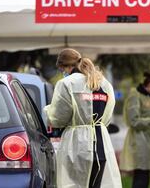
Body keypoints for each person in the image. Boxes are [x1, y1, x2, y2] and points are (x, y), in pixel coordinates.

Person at [44, 48, 122, 188]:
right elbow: (107, 116)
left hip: (76, 146)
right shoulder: (104, 83)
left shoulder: (66, 84)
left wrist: (47, 110)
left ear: (64, 66)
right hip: (101, 145)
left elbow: (57, 119)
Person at [120, 72, 150, 188]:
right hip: (139, 141)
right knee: (140, 176)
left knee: (145, 175)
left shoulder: (146, 97)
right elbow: (133, 121)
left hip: (146, 141)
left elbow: (146, 117)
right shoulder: (135, 96)